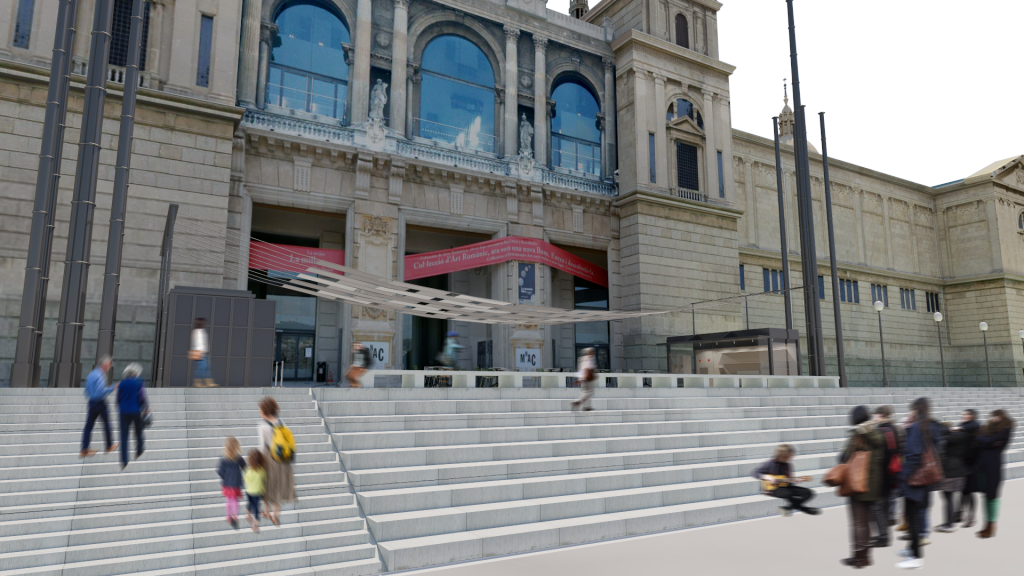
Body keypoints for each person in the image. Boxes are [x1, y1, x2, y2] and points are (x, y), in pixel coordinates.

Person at [897, 397, 946, 570]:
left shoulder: (917, 427)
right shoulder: (930, 426)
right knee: (916, 515)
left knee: (914, 518)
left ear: (916, 409)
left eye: (912, 409)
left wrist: (905, 477)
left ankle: (916, 557)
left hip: (915, 479)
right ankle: (911, 548)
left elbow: (913, 455)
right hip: (927, 478)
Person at [840, 405, 885, 569]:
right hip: (873, 485)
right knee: (867, 522)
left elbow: (844, 457)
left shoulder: (857, 434)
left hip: (857, 484)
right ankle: (866, 557)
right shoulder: (876, 432)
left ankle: (858, 558)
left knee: (858, 523)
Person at [973, 409, 1014, 539]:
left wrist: (985, 440)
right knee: (985, 496)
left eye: (995, 416)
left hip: (993, 467)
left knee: (992, 496)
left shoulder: (1006, 429)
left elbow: (987, 441)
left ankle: (991, 526)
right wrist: (987, 441)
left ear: (1001, 417)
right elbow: (982, 442)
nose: (992, 419)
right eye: (991, 416)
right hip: (982, 466)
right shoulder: (987, 428)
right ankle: (986, 525)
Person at [258, 397, 296, 526]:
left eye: (260, 410)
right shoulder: (280, 422)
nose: (260, 412)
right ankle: (275, 516)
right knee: (277, 488)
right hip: (282, 460)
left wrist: (260, 461)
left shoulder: (263, 426)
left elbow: (262, 446)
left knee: (265, 485)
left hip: (269, 458)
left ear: (265, 410)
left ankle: (266, 511)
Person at [751, 444, 819, 516]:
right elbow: (754, 473)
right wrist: (767, 477)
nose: (790, 458)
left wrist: (795, 480)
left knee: (808, 492)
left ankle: (788, 508)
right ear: (781, 455)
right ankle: (803, 508)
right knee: (788, 493)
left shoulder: (787, 465)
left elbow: (788, 480)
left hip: (785, 486)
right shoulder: (769, 463)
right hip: (771, 489)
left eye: (790, 456)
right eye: (788, 456)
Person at [870, 405, 901, 547]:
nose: (874, 417)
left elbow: (879, 455)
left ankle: (884, 537)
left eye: (875, 415)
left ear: (880, 415)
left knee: (877, 506)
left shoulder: (880, 431)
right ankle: (884, 534)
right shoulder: (893, 429)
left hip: (881, 473)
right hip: (892, 472)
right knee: (885, 505)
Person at [934, 418, 972, 533]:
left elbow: (940, 451)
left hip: (949, 471)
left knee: (947, 499)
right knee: (951, 499)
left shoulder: (945, 438)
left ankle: (949, 524)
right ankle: (949, 522)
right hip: (960, 470)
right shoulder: (961, 437)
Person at [81, 355, 118, 458]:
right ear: (103, 364)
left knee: (88, 426)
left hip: (91, 402)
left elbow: (86, 391)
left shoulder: (91, 374)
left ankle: (84, 448)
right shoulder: (100, 376)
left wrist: (92, 397)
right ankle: (109, 445)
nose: (109, 367)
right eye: (109, 365)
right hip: (100, 403)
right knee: (107, 423)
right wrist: (113, 388)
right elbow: (100, 392)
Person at [116, 363, 148, 470]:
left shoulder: (121, 383)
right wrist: (146, 407)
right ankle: (140, 449)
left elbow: (118, 399)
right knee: (138, 431)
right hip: (136, 411)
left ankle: (124, 461)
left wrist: (120, 407)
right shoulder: (139, 382)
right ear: (135, 373)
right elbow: (142, 396)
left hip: (123, 412)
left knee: (123, 437)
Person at [956, 409, 981, 527]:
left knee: (969, 491)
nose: (964, 416)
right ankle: (960, 513)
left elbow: (976, 448)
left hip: (972, 464)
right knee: (963, 489)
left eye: (967, 414)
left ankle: (971, 516)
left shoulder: (975, 427)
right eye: (964, 414)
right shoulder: (962, 427)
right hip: (963, 463)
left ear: (973, 416)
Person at [217, 437, 246, 529]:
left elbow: (220, 471)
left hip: (226, 484)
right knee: (234, 500)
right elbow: (245, 468)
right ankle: (236, 516)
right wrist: (241, 476)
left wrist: (225, 478)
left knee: (228, 499)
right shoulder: (239, 459)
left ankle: (228, 516)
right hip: (236, 484)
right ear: (236, 446)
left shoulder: (223, 459)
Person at [243, 449, 266, 533]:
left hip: (248, 491)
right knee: (256, 508)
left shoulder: (247, 470)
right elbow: (264, 480)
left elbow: (246, 480)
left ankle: (248, 515)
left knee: (249, 503)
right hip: (257, 493)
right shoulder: (262, 471)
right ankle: (255, 525)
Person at [570, 347, 597, 412]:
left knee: (586, 392)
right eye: (592, 352)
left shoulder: (583, 359)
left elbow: (580, 369)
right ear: (589, 352)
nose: (593, 353)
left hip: (583, 378)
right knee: (589, 392)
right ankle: (577, 402)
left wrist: (580, 378)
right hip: (587, 378)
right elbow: (588, 368)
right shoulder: (589, 359)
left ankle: (586, 407)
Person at [191, 318, 215, 387]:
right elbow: (196, 343)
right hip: (199, 352)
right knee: (201, 367)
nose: (205, 324)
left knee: (206, 367)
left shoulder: (202, 330)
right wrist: (200, 351)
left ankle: (208, 382)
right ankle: (198, 382)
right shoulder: (196, 331)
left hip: (205, 352)